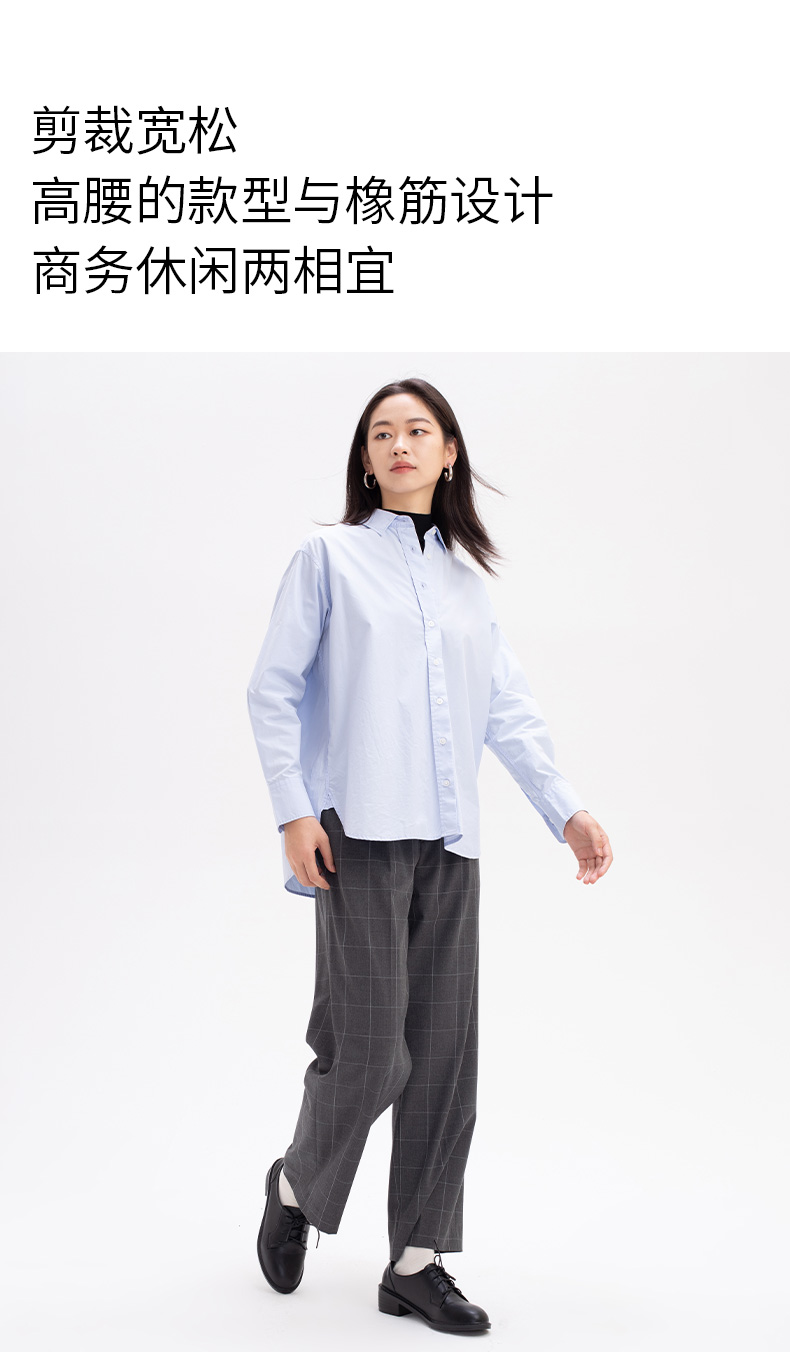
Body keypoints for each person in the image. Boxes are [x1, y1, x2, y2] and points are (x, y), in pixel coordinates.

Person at [246, 377, 613, 1334]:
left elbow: (507, 710)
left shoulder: (464, 582)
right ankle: (295, 1183)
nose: (399, 444)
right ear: (366, 460)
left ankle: (416, 1261)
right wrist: (293, 812)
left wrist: (565, 810)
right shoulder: (326, 558)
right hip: (357, 834)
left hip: (452, 843)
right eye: (382, 433)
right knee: (372, 1053)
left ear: (449, 453)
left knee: (446, 1058)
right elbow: (272, 688)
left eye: (418, 430)